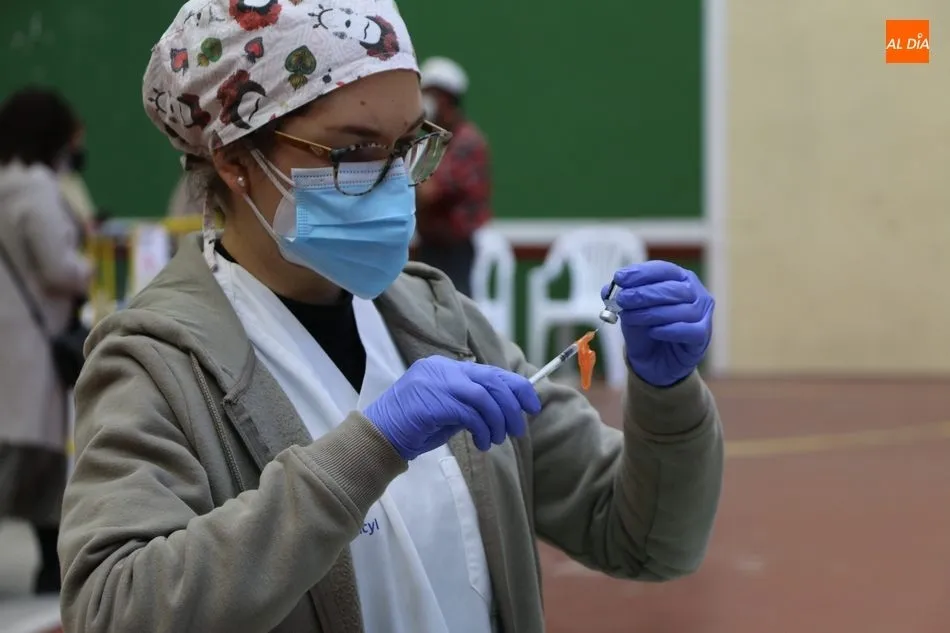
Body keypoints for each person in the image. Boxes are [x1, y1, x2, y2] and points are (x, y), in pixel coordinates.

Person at [58, 2, 724, 632]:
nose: (396, 182)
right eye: (353, 152)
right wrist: (368, 448)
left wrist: (667, 396)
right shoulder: (157, 362)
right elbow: (115, 605)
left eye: (408, 145)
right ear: (236, 161)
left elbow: (644, 540)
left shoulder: (441, 322)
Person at [0, 87, 94, 595]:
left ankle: (48, 562)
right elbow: (58, 267)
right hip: (37, 338)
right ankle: (49, 564)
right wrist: (92, 267)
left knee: (23, 450)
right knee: (40, 456)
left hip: (13, 334)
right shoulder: (35, 188)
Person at [413, 56, 490, 297]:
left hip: (453, 250)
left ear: (446, 99)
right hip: (429, 245)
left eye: (429, 94)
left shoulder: (466, 142)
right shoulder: (434, 139)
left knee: (455, 310)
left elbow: (429, 192)